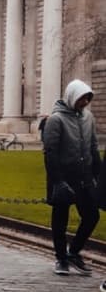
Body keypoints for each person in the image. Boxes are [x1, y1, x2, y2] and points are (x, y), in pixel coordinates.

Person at [43, 79, 99, 276]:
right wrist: (58, 181)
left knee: (92, 216)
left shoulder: (88, 118)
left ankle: (73, 252)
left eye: (87, 99)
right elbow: (50, 153)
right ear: (72, 97)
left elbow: (93, 146)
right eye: (82, 99)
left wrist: (98, 175)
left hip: (84, 177)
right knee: (60, 220)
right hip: (63, 177)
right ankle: (61, 258)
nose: (84, 103)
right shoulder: (55, 120)